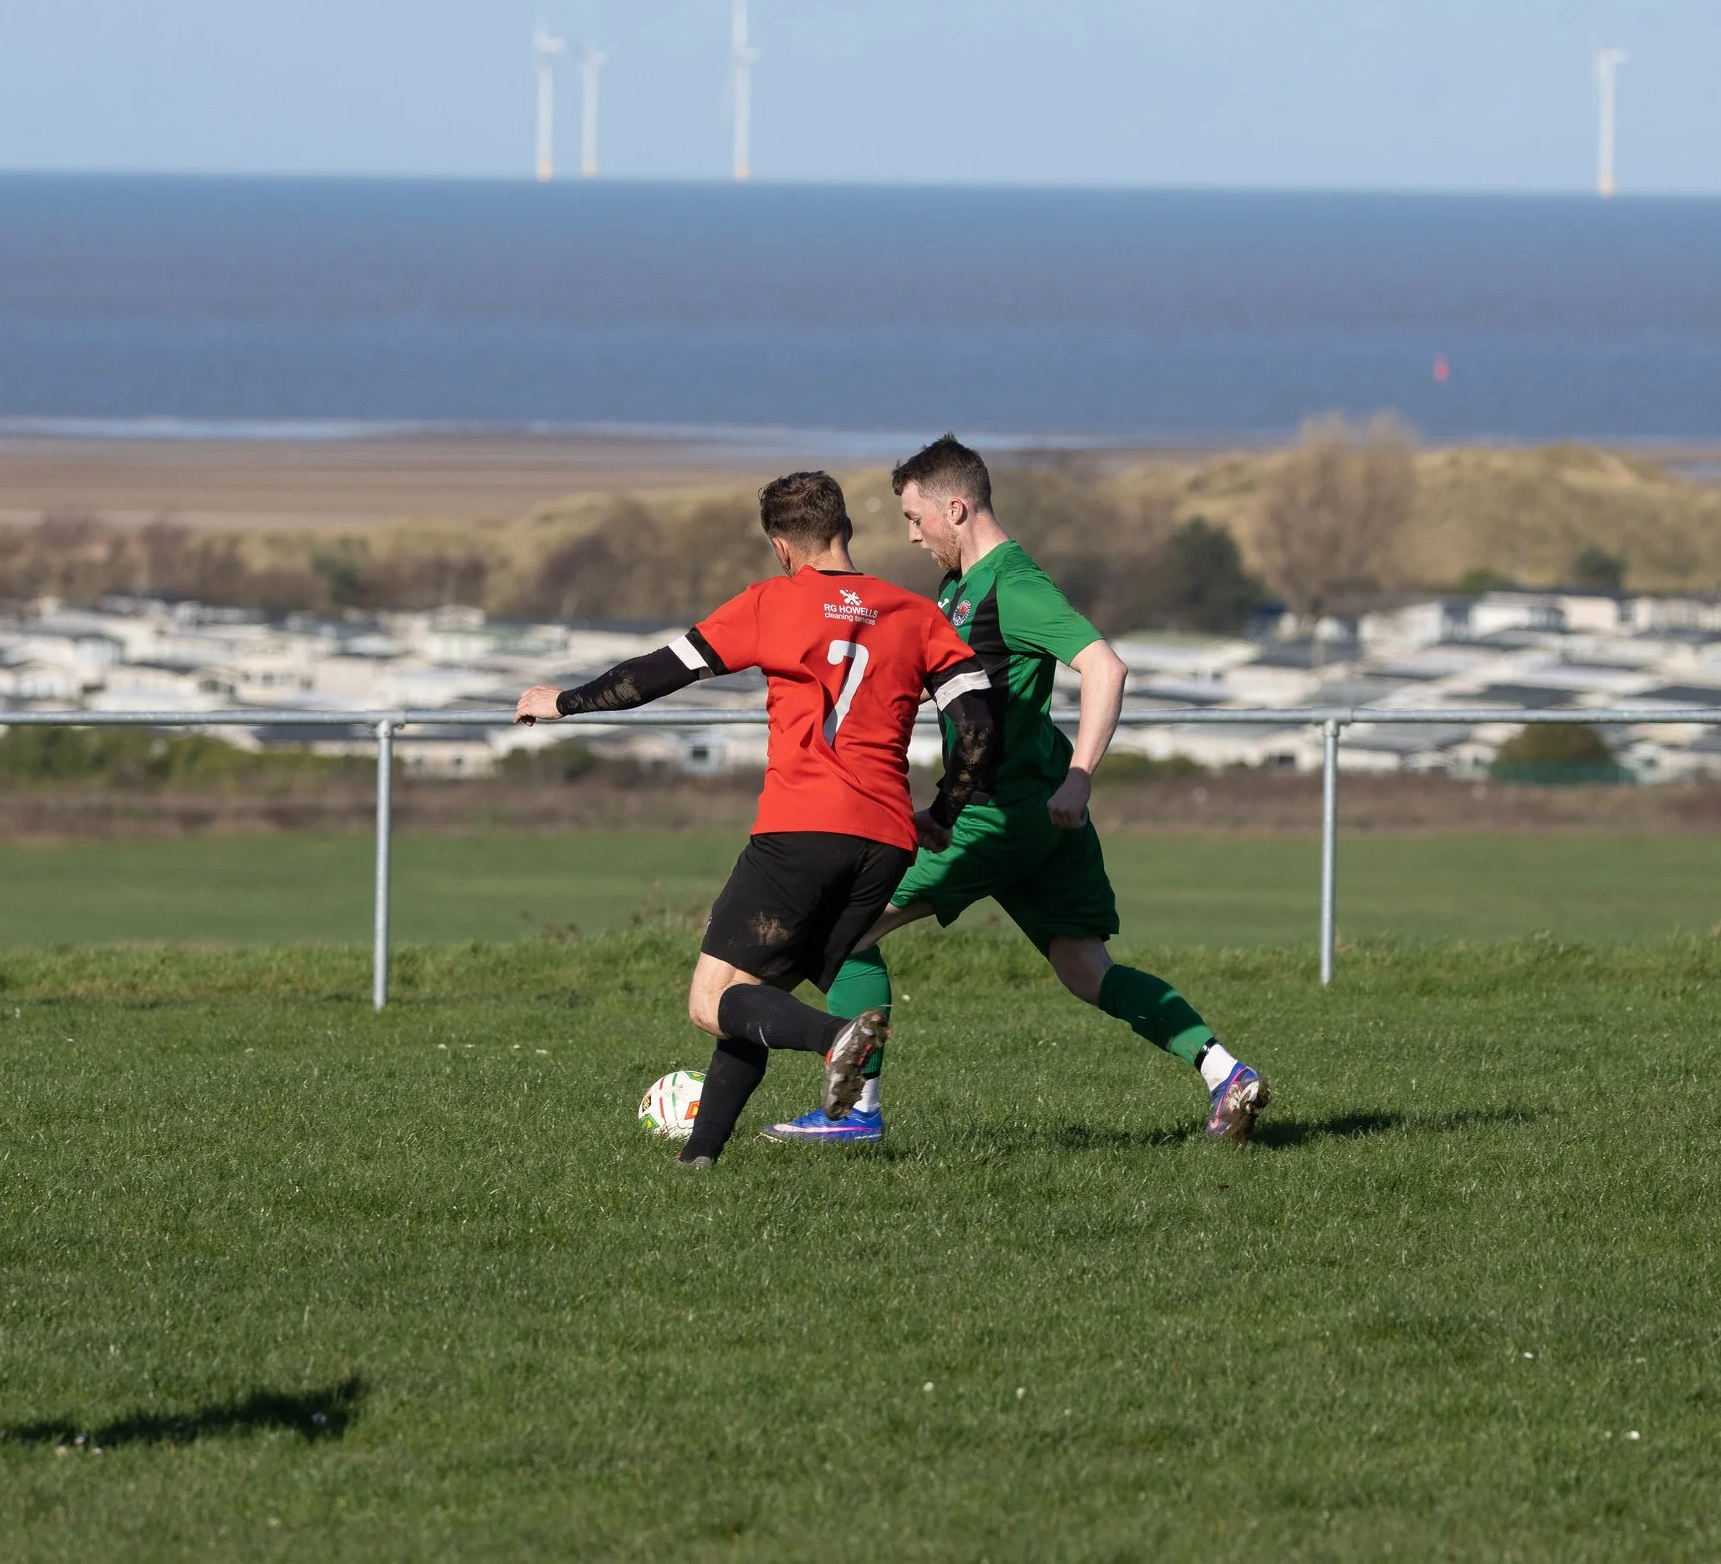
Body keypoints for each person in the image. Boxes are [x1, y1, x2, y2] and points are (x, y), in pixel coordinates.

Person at [763, 435, 1272, 1148]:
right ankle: (1226, 1073)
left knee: (841, 934)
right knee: (1085, 968)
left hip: (1000, 816)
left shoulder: (1015, 586)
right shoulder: (957, 588)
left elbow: (1105, 666)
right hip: (1036, 821)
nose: (910, 536)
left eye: (916, 519)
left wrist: (1081, 776)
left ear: (956, 507)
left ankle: (855, 1115)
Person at [515, 470, 1001, 1169]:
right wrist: (946, 812)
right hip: (887, 840)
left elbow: (656, 674)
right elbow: (979, 725)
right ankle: (701, 1157)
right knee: (757, 998)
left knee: (713, 1001)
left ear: (781, 547)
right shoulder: (915, 613)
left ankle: (836, 1038)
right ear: (847, 530)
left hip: (801, 833)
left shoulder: (772, 602)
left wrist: (564, 702)